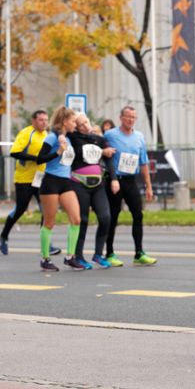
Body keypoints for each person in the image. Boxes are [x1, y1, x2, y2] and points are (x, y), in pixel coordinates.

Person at [0, 110, 61, 256]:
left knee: (46, 211)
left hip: (40, 178)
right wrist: (36, 158)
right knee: (21, 209)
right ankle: (4, 236)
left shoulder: (47, 135)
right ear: (33, 121)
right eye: (41, 120)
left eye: (46, 120)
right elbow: (15, 152)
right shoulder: (27, 133)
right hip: (24, 178)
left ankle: (47, 244)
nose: (44, 122)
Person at [103, 106, 157, 267]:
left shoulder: (139, 137)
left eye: (133, 117)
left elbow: (144, 163)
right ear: (121, 117)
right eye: (128, 117)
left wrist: (149, 186)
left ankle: (139, 252)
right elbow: (101, 151)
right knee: (113, 216)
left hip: (130, 180)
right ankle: (109, 253)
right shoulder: (110, 135)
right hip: (115, 180)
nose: (130, 120)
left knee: (138, 215)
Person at [35, 106, 84, 271]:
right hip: (51, 182)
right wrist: (57, 152)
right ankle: (45, 259)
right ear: (64, 121)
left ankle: (70, 257)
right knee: (49, 222)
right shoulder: (52, 137)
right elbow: (39, 159)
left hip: (66, 181)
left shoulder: (69, 138)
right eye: (72, 121)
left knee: (76, 219)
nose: (75, 125)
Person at [67, 113, 118, 269]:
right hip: (79, 184)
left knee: (106, 217)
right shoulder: (73, 138)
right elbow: (82, 151)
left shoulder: (99, 139)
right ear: (76, 126)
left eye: (86, 122)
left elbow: (109, 159)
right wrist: (103, 151)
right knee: (83, 220)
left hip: (98, 184)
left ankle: (98, 254)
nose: (85, 126)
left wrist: (114, 179)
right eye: (80, 124)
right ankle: (79, 256)